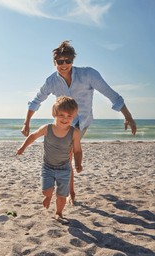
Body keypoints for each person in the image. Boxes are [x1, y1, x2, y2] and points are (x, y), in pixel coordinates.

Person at [21, 40, 136, 205]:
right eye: (60, 61)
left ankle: (70, 192)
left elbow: (110, 94)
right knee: (67, 157)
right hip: (64, 122)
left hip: (82, 121)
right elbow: (36, 100)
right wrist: (26, 122)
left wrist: (128, 116)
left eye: (68, 61)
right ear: (55, 62)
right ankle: (71, 192)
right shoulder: (51, 81)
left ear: (72, 61)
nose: (64, 64)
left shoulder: (88, 75)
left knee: (68, 155)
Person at [16, 96, 82, 224]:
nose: (65, 119)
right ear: (54, 114)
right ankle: (48, 195)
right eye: (62, 115)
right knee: (46, 191)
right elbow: (33, 136)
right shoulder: (48, 128)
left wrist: (78, 164)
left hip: (64, 168)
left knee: (62, 196)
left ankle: (59, 213)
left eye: (69, 116)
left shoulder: (74, 133)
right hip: (48, 167)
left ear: (74, 116)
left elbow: (78, 151)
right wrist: (23, 147)